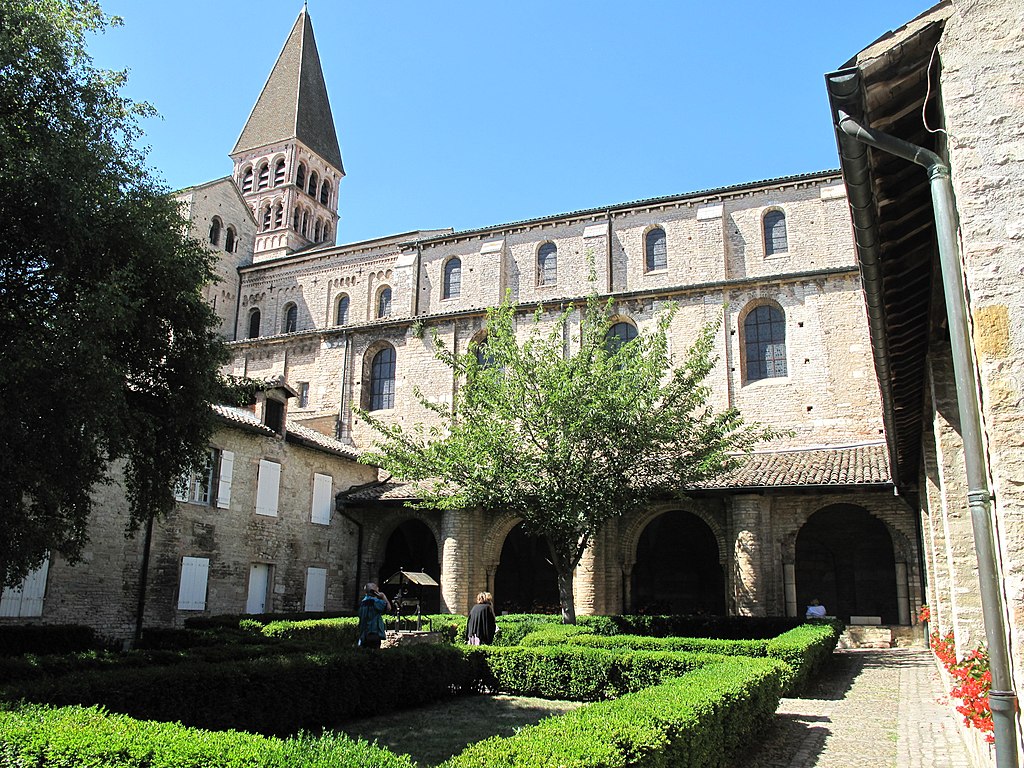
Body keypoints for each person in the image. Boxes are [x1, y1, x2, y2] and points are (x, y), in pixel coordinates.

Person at [357, 582, 391, 649]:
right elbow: (389, 608)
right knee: (374, 655)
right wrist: (383, 596)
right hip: (373, 633)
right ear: (374, 592)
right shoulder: (376, 602)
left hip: (363, 634)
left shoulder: (362, 602)